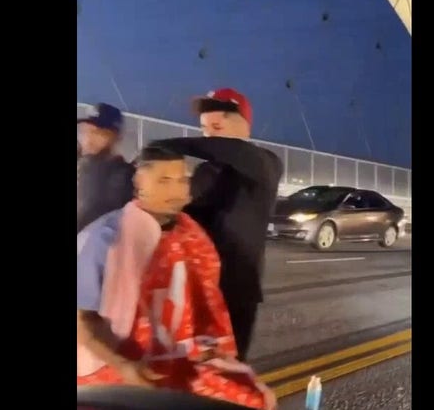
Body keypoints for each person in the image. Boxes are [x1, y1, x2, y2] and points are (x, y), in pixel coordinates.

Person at [76, 145, 276, 410]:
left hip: (182, 362)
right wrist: (124, 365)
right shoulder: (105, 240)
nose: (176, 190)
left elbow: (203, 307)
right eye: (164, 180)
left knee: (255, 400)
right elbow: (82, 322)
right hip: (115, 369)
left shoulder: (193, 237)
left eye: (182, 180)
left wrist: (208, 349)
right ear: (139, 184)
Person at [150, 88, 283, 361]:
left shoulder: (265, 164)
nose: (208, 134)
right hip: (196, 289)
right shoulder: (206, 171)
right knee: (190, 375)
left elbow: (229, 149)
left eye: (216, 126)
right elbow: (179, 213)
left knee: (227, 373)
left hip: (235, 290)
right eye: (203, 128)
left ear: (244, 125)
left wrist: (167, 145)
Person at [77, 103, 135, 233]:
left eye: (98, 133)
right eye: (86, 130)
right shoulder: (84, 163)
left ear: (115, 137)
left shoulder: (125, 176)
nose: (88, 138)